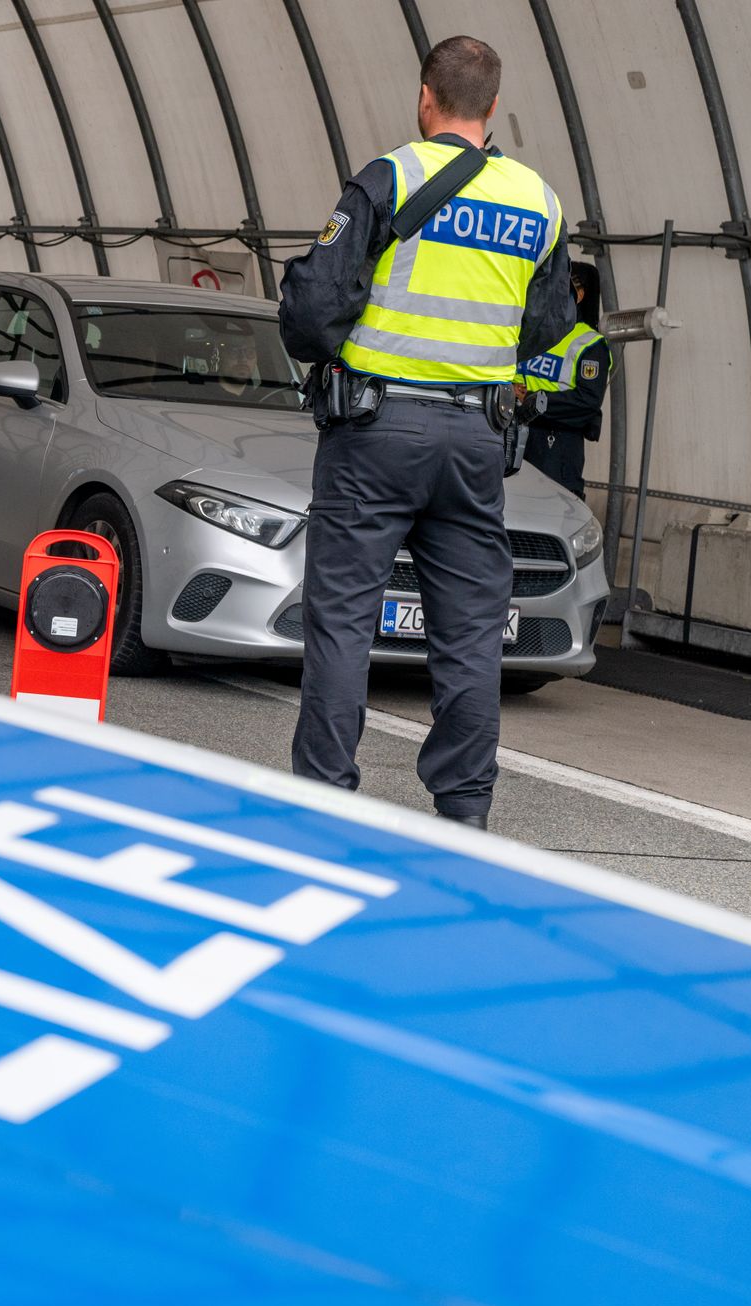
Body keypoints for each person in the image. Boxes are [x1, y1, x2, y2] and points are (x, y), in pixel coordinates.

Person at [277, 35, 574, 831]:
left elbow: (311, 311)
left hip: (374, 432)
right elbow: (549, 327)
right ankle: (464, 810)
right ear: (494, 106)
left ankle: (324, 795)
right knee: (472, 631)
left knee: (342, 616)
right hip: (477, 439)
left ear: (425, 97)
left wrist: (338, 349)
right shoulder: (539, 202)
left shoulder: (391, 176)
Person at [513, 261, 610, 497]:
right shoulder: (528, 330)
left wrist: (533, 400)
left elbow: (586, 403)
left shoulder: (589, 343)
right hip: (513, 433)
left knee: (550, 508)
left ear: (580, 295)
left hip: (556, 445)